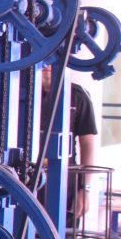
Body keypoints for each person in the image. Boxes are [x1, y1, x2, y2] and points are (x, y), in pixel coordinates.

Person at [40, 64, 97, 221]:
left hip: (65, 185)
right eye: (43, 61)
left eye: (52, 60)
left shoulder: (77, 95)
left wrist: (85, 189)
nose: (47, 65)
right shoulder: (16, 93)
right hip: (22, 181)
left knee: (62, 232)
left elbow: (87, 145)